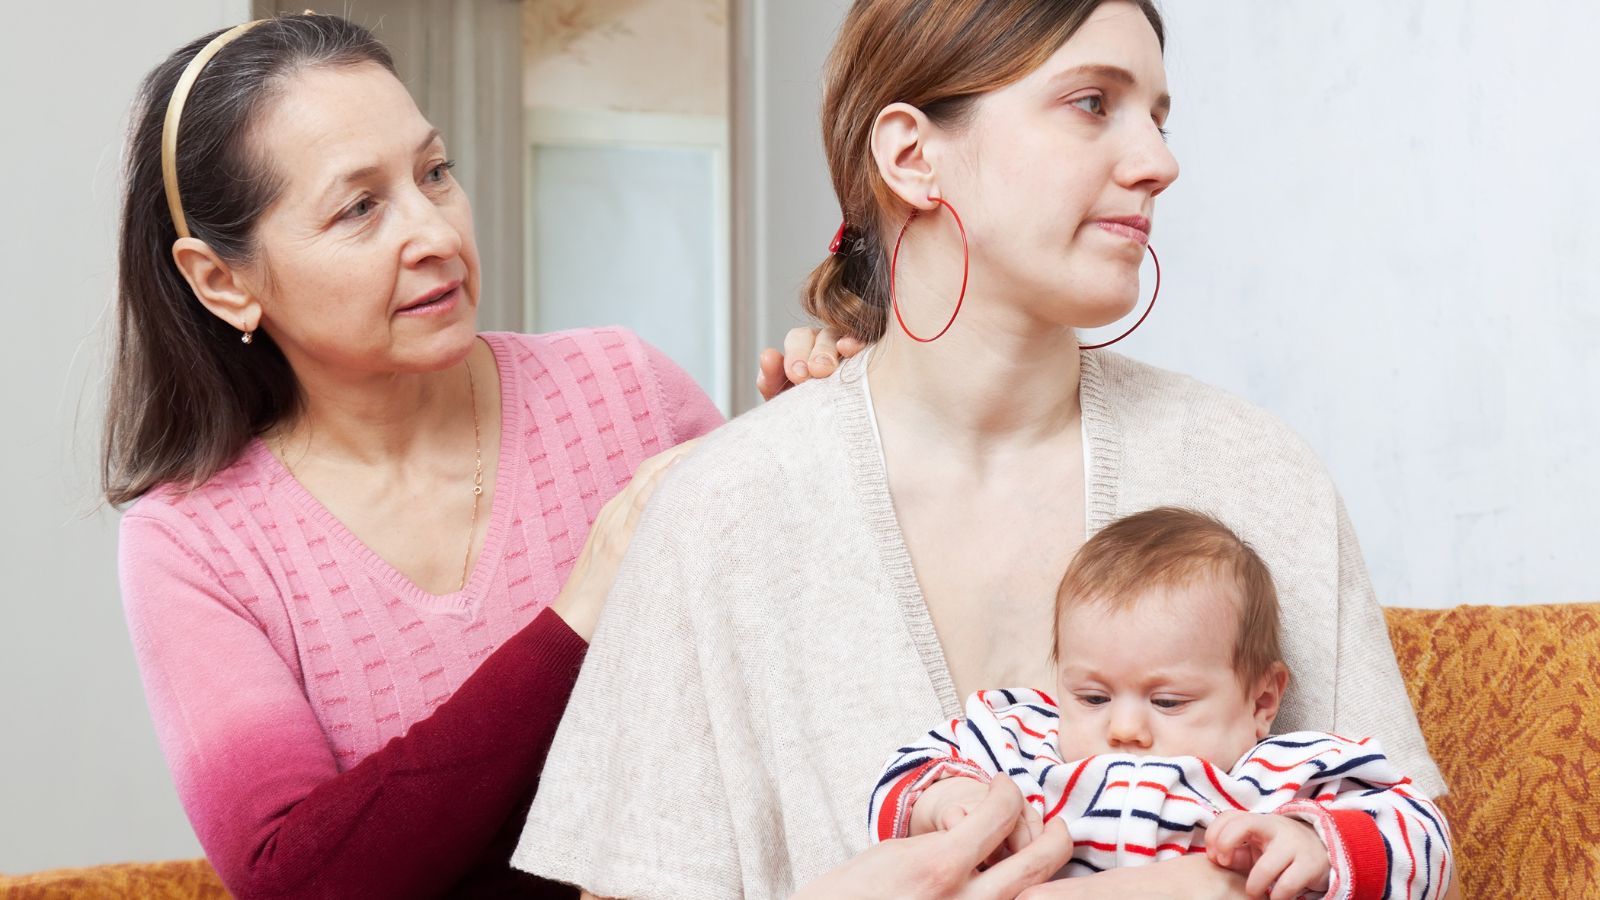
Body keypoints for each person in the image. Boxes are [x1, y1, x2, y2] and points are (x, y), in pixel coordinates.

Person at [513, 1, 1455, 898]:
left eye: (1160, 116)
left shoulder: (1256, 472)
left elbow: (1407, 852)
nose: (1160, 161)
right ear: (916, 155)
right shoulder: (721, 513)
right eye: (1094, 103)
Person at [106, 13, 847, 898]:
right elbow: (297, 882)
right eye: (359, 207)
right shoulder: (198, 543)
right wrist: (577, 617)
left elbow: (810, 711)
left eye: (435, 173)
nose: (436, 234)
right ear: (222, 278)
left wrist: (815, 479)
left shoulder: (625, 390)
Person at [872, 507, 1454, 900]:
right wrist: (946, 797)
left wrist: (1317, 845)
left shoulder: (1287, 775)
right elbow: (904, 771)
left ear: (1262, 699)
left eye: (1169, 701)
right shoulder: (1021, 741)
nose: (1124, 727)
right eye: (1092, 696)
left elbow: (1425, 837)